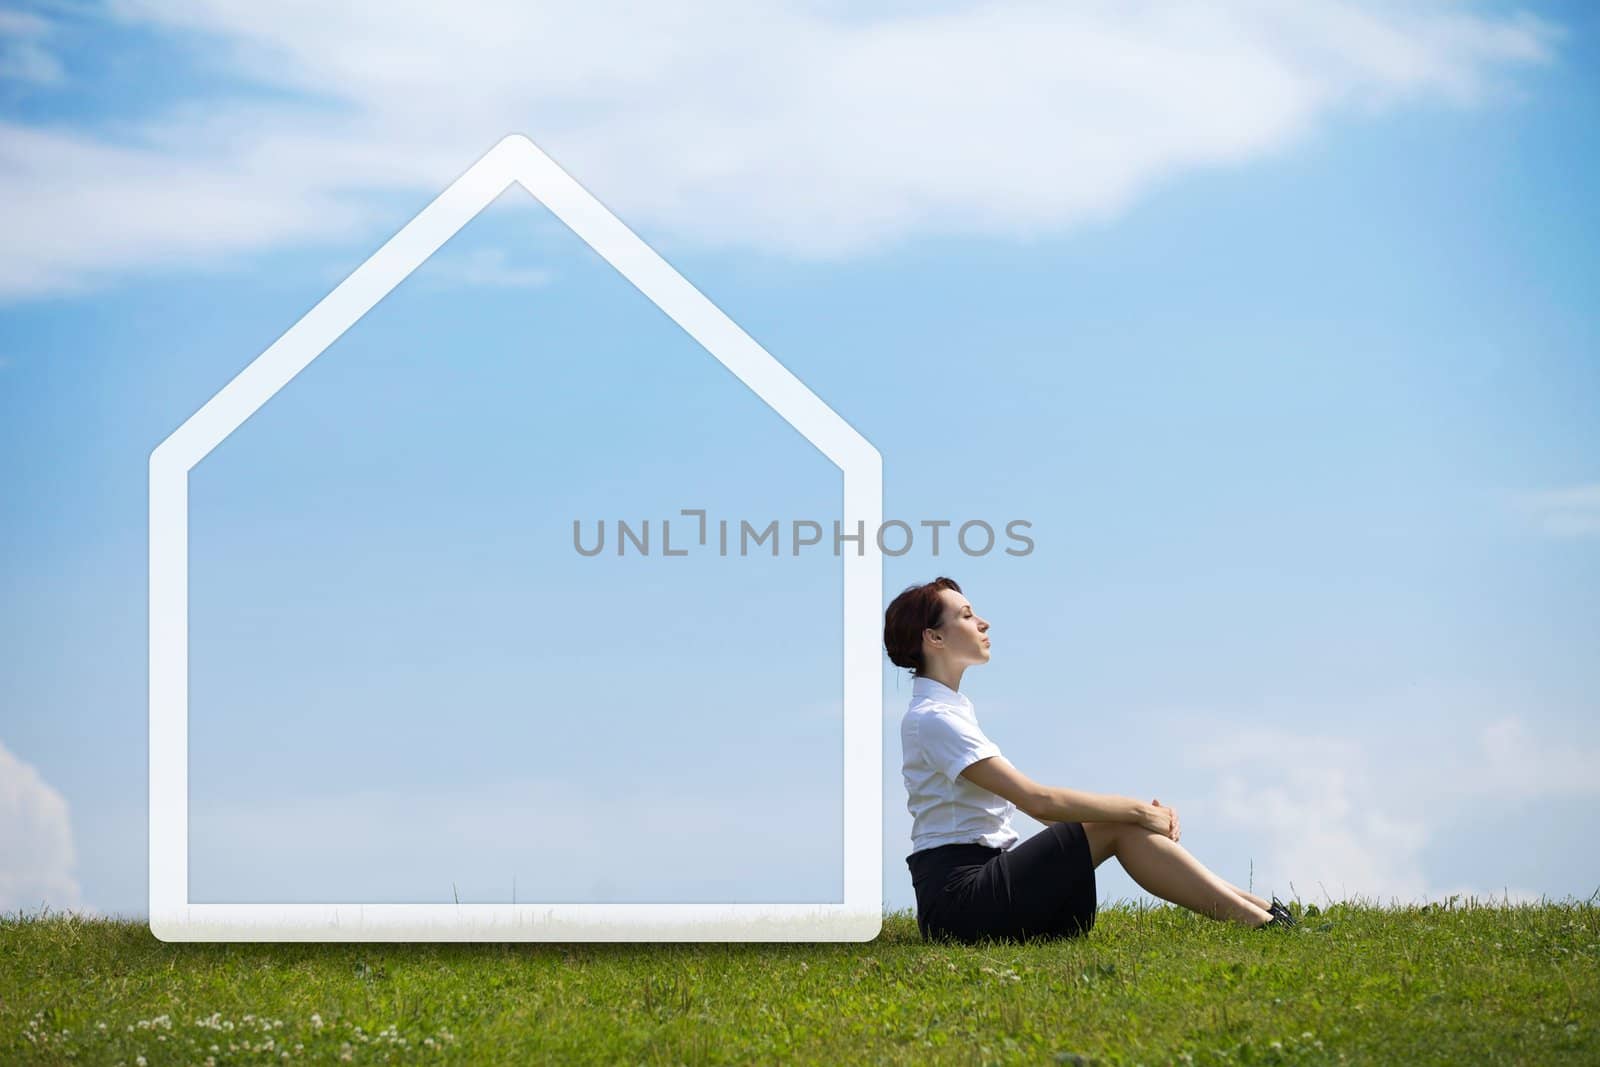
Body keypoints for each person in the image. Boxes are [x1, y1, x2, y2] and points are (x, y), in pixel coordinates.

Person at [886, 576, 1297, 944]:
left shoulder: (953, 710)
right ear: (934, 639)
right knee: (1118, 822)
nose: (984, 623)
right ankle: (1257, 922)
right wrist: (1136, 811)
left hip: (991, 884)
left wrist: (1130, 819)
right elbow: (1038, 800)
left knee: (1118, 824)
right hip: (961, 902)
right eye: (967, 615)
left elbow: (1053, 819)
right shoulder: (933, 720)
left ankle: (1263, 913)